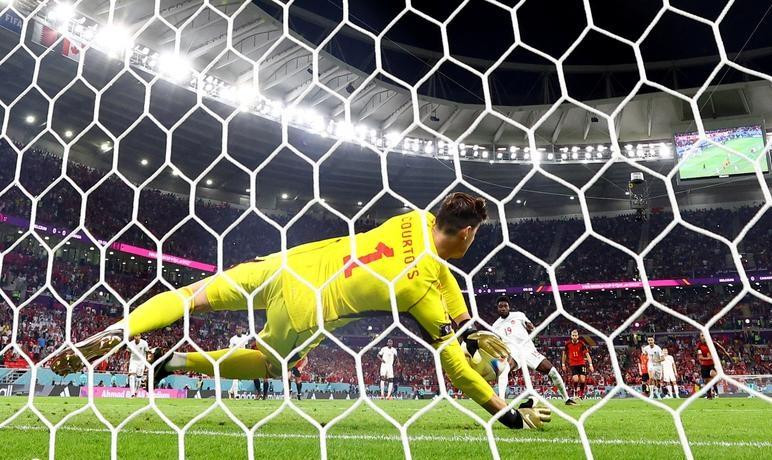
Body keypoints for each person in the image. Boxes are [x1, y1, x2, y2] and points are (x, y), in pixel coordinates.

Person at [49, 193, 551, 429]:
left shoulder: (413, 219)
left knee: (189, 297)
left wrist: (465, 322)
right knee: (272, 365)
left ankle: (121, 327)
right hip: (309, 306)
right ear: (467, 232)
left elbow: (441, 269)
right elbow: (456, 367)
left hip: (285, 263)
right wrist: (501, 412)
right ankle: (181, 363)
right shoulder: (417, 288)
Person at [492, 296, 576, 405]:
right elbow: (497, 344)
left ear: (509, 307)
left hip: (527, 349)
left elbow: (532, 328)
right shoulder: (495, 326)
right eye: (500, 306)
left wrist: (531, 327)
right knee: (504, 369)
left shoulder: (519, 315)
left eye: (505, 306)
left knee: (553, 372)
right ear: (497, 308)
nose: (503, 308)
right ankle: (502, 401)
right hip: (513, 351)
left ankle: (566, 399)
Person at [561, 330, 593, 399]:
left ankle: (581, 393)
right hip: (573, 364)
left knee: (582, 379)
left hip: (581, 363)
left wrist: (590, 365)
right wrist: (563, 364)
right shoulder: (567, 344)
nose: (574, 337)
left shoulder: (582, 343)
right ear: (571, 336)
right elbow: (564, 354)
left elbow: (587, 354)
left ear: (578, 336)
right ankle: (575, 391)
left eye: (576, 335)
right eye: (573, 335)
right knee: (575, 379)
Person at [697, 332, 729, 399]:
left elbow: (721, 348)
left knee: (713, 375)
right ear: (700, 337)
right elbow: (700, 357)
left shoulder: (712, 343)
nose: (703, 337)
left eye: (704, 335)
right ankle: (709, 395)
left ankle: (715, 391)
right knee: (706, 381)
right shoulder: (699, 345)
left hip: (713, 364)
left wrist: (726, 353)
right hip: (704, 365)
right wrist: (708, 358)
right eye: (702, 336)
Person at [227, 328, 249, 398]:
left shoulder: (245, 337)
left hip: (242, 358)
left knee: (237, 377)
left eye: (240, 329)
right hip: (235, 358)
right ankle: (236, 394)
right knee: (236, 376)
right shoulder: (233, 339)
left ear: (241, 330)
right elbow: (230, 348)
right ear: (235, 331)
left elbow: (246, 346)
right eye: (237, 330)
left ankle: (230, 391)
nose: (238, 331)